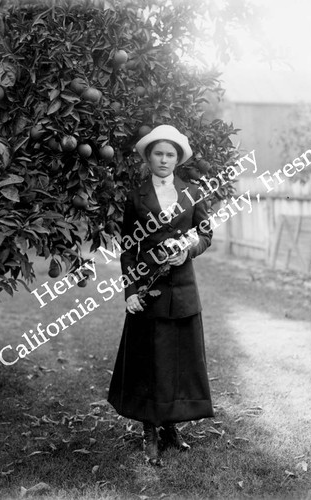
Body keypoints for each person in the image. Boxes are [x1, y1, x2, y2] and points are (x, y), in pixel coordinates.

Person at [108, 125, 214, 466]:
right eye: (158, 154)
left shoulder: (192, 192)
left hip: (181, 288)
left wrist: (188, 250)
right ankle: (149, 432)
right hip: (147, 289)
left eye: (170, 154)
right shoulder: (135, 196)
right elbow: (127, 249)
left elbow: (206, 234)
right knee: (150, 362)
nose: (164, 160)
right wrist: (131, 291)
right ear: (149, 158)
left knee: (178, 361)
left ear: (177, 159)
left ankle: (171, 427)